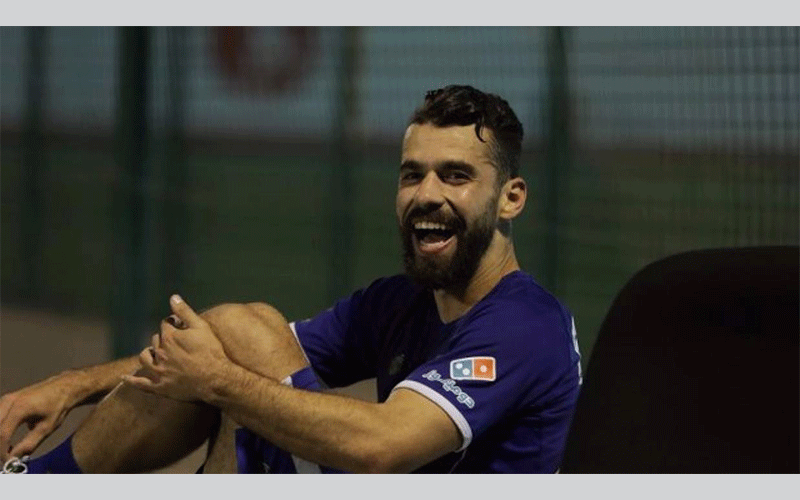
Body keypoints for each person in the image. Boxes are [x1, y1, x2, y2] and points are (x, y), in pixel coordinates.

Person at [0, 85, 581, 474]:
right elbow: (227, 349)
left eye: (455, 176)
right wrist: (72, 385)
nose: (426, 194)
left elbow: (381, 446)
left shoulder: (526, 326)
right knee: (240, 331)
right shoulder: (403, 301)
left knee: (240, 371)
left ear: (511, 199)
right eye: (412, 175)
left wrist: (221, 382)